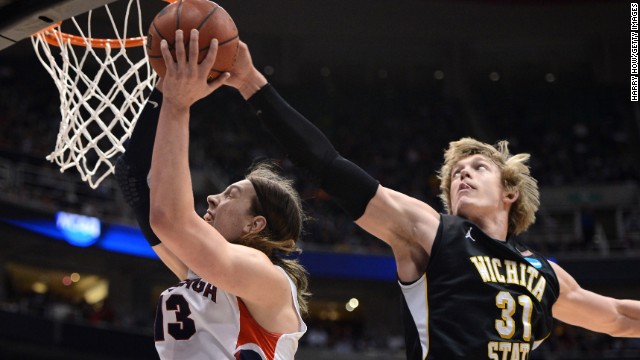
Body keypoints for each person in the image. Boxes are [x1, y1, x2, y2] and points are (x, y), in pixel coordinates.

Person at [220, 40, 640, 359]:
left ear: (510, 192)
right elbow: (329, 165)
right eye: (456, 173)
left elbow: (619, 317)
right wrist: (251, 82)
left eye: (478, 168)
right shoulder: (434, 233)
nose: (462, 175)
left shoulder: (545, 272)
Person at [115, 30, 308, 360]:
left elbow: (169, 219)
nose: (213, 198)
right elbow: (134, 177)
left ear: (255, 224)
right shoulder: (202, 268)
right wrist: (165, 84)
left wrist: (179, 102)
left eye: (231, 195)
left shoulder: (267, 279)